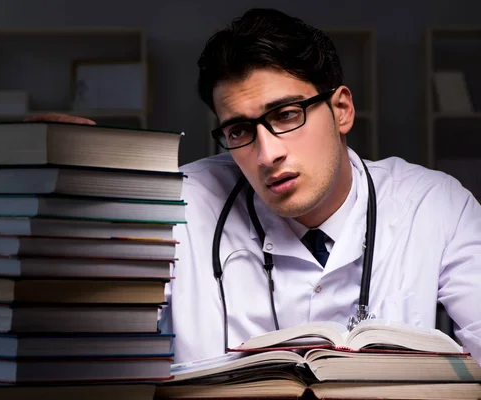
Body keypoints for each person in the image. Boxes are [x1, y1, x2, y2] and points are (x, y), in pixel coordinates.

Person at [30, 8, 481, 366]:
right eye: (240, 131)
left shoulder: (435, 204)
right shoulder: (175, 202)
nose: (267, 155)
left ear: (342, 109)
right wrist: (61, 200)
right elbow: (77, 330)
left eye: (286, 115)